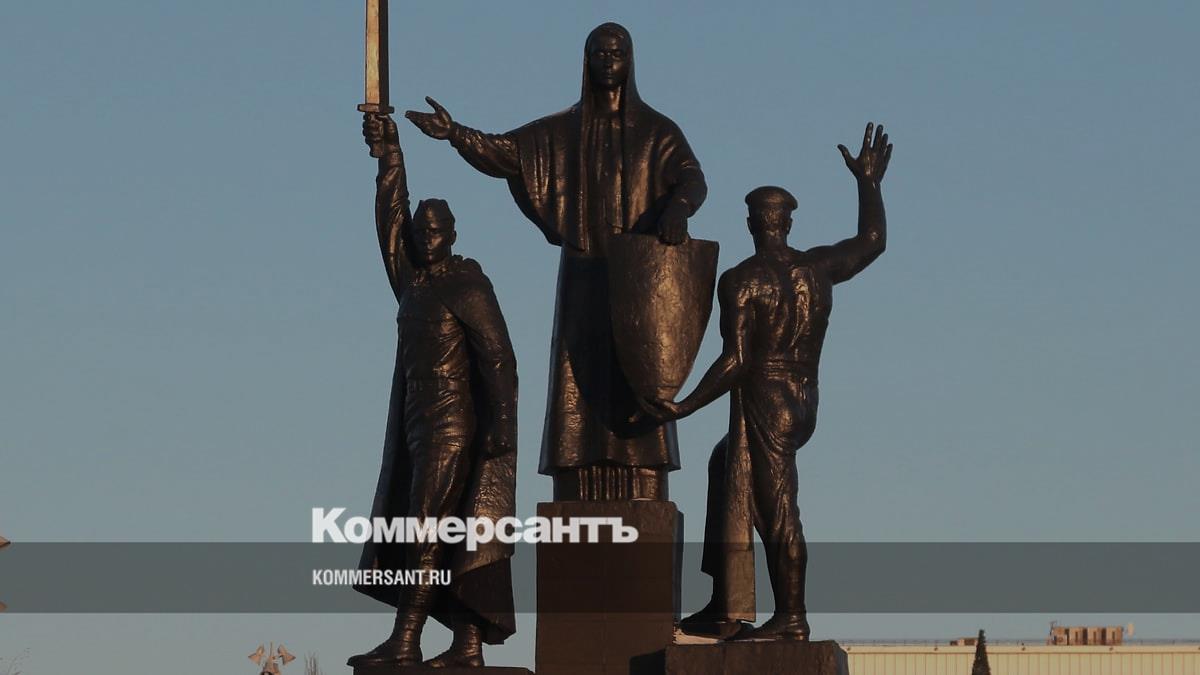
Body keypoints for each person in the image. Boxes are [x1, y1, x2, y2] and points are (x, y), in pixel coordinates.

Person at [406, 22, 707, 500]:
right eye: (599, 52)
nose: (607, 60)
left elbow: (691, 178)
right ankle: (577, 480)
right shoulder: (564, 129)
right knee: (579, 384)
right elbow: (506, 153)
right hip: (584, 275)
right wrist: (454, 133)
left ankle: (643, 482)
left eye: (616, 52)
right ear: (586, 61)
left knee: (638, 377)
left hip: (638, 282)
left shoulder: (657, 131)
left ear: (630, 61)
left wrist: (678, 209)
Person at [643, 123, 892, 640]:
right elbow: (873, 241)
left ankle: (791, 617)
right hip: (804, 398)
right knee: (726, 464)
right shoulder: (818, 267)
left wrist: (684, 405)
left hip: (766, 396)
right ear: (788, 222)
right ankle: (726, 599)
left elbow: (735, 360)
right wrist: (868, 184)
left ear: (751, 223)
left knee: (777, 508)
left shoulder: (742, 280)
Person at [349, 113, 518, 668]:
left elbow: (498, 356)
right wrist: (390, 154)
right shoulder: (414, 283)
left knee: (426, 527)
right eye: (420, 233)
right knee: (452, 529)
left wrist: (501, 423)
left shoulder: (467, 283)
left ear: (452, 235)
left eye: (435, 232)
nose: (425, 239)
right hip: (416, 421)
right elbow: (390, 218)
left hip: (452, 423)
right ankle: (467, 647)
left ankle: (406, 639)